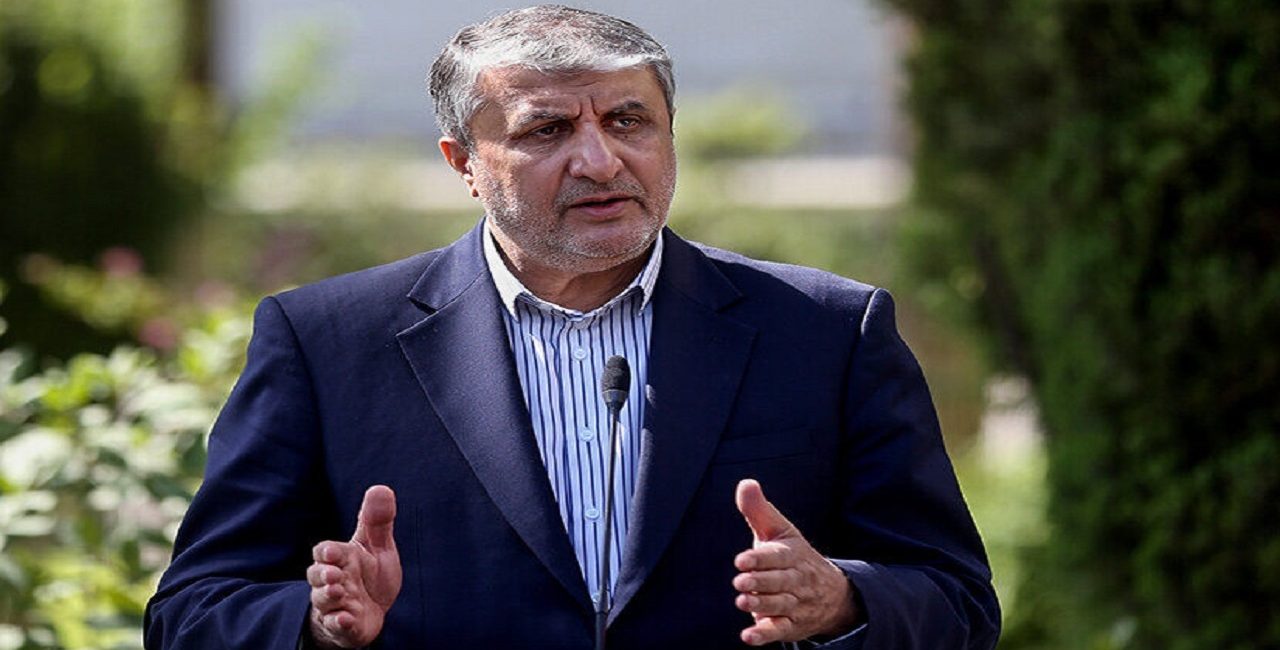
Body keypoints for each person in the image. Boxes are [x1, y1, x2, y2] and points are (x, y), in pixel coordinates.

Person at [144, 6, 1000, 649]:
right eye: (547, 130)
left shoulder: (827, 331)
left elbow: (958, 602)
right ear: (463, 162)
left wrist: (842, 601)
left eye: (628, 121)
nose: (599, 159)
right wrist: (315, 623)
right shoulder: (326, 341)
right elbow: (192, 612)